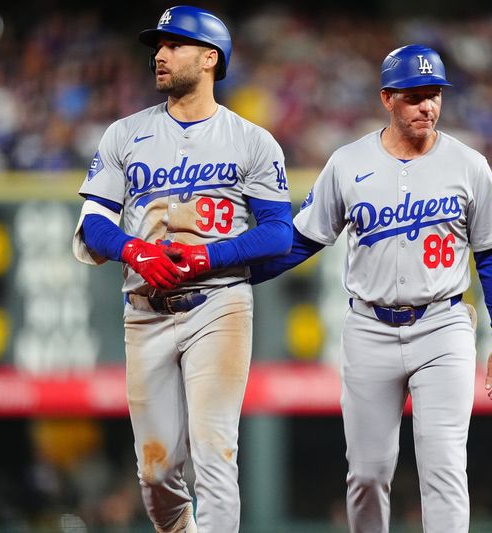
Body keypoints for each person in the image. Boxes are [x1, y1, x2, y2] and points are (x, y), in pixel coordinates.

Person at [251, 44, 492, 532]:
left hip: (443, 324)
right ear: (387, 99)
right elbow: (301, 240)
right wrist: (238, 272)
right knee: (368, 474)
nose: (427, 107)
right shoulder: (348, 162)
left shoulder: (468, 164)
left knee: (444, 470)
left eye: (434, 94)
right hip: (369, 327)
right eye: (415, 96)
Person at [71, 6, 293, 533]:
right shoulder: (125, 134)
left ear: (210, 58)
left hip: (219, 303)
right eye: (159, 45)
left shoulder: (252, 140)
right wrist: (133, 250)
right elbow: (93, 224)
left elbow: (278, 232)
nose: (160, 54)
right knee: (156, 471)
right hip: (145, 309)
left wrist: (208, 256)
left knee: (215, 455)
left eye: (174, 44)